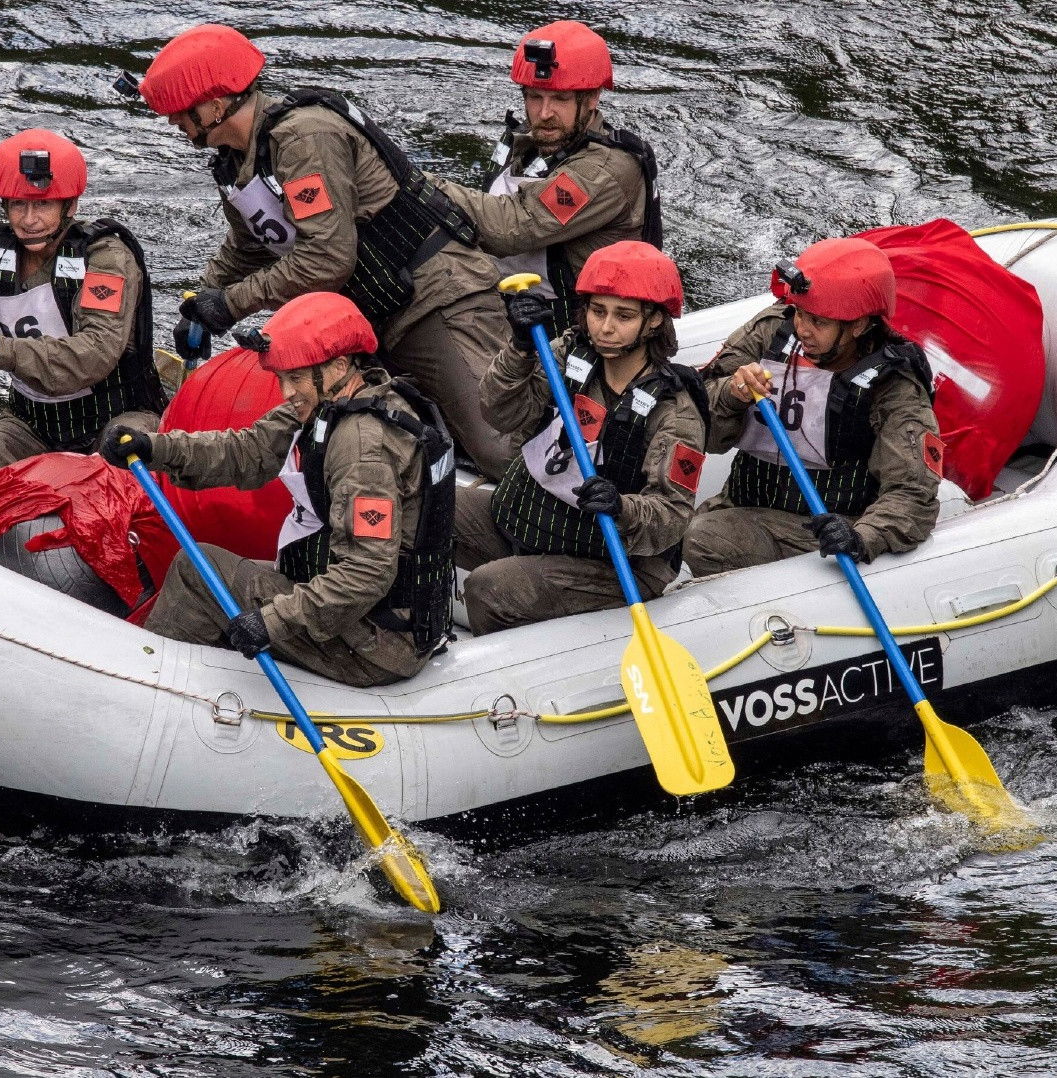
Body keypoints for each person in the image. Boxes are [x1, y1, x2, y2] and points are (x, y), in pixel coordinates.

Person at [132, 23, 515, 478]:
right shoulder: (239, 160)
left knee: (497, 447)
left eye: (180, 112)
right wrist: (202, 302)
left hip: (436, 298)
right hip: (378, 311)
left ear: (215, 104)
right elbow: (247, 246)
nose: (173, 123)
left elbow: (325, 260)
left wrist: (233, 303)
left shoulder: (304, 137)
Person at [99, 292, 455, 687]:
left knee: (194, 572)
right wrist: (155, 448)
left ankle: (146, 689)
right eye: (282, 378)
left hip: (375, 642)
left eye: (296, 378)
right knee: (213, 565)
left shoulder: (362, 450)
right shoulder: (334, 399)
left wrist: (271, 622)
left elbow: (367, 573)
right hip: (360, 612)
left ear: (338, 365)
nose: (286, 392)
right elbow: (247, 452)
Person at [457, 241, 707, 634]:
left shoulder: (674, 413)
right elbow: (500, 412)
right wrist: (520, 348)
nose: (605, 328)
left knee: (490, 589)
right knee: (427, 502)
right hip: (530, 521)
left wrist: (622, 507)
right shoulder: (569, 354)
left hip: (607, 560)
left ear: (655, 320)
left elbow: (672, 517)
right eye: (597, 311)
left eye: (623, 316)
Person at [0, 129, 166, 493]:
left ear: (70, 206)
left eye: (43, 205)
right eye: (18, 205)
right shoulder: (0, 257)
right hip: (35, 424)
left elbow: (96, 354)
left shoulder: (107, 259)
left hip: (115, 418)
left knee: (116, 464)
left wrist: (0, 350)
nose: (29, 220)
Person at [684, 237, 942, 576]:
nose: (802, 329)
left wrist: (863, 536)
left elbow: (913, 490)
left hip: (825, 527)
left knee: (703, 539)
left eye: (818, 322)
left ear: (858, 325)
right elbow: (695, 421)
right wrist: (732, 394)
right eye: (801, 314)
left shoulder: (893, 385)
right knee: (668, 530)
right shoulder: (774, 331)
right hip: (745, 502)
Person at [430, 20, 662, 330]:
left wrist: (420, 185)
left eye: (561, 99)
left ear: (592, 98)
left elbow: (511, 227)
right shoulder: (531, 141)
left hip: (583, 330)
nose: (545, 113)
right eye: (535, 97)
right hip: (515, 302)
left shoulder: (603, 170)